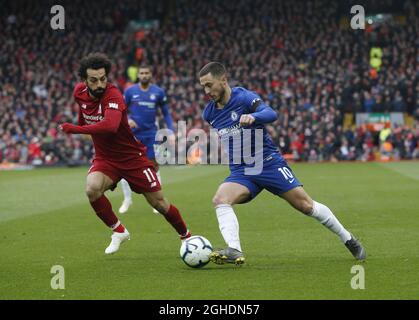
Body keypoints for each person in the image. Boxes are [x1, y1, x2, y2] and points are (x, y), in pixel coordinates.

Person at [199, 62, 366, 265]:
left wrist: (253, 116)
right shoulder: (209, 113)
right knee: (220, 199)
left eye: (209, 85)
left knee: (306, 206)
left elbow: (271, 114)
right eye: (203, 87)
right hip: (242, 171)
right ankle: (234, 249)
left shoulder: (244, 97)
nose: (206, 91)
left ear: (223, 80)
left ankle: (348, 239)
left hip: (268, 164)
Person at [59, 52, 191, 255]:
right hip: (106, 158)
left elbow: (110, 126)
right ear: (84, 81)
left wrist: (75, 130)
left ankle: (187, 237)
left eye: (103, 78)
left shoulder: (113, 94)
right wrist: (79, 126)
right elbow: (83, 117)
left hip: (132, 158)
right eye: (94, 80)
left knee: (159, 203)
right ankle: (118, 231)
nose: (100, 84)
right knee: (92, 189)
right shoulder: (79, 92)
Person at [118, 65, 176, 214]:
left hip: (151, 134)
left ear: (150, 75)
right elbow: (121, 111)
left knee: (154, 166)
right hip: (133, 135)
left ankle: (156, 201)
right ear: (138, 75)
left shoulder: (158, 92)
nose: (144, 75)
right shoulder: (130, 91)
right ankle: (127, 199)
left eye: (146, 73)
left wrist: (170, 130)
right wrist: (128, 119)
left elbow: (166, 113)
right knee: (125, 166)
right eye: (141, 73)